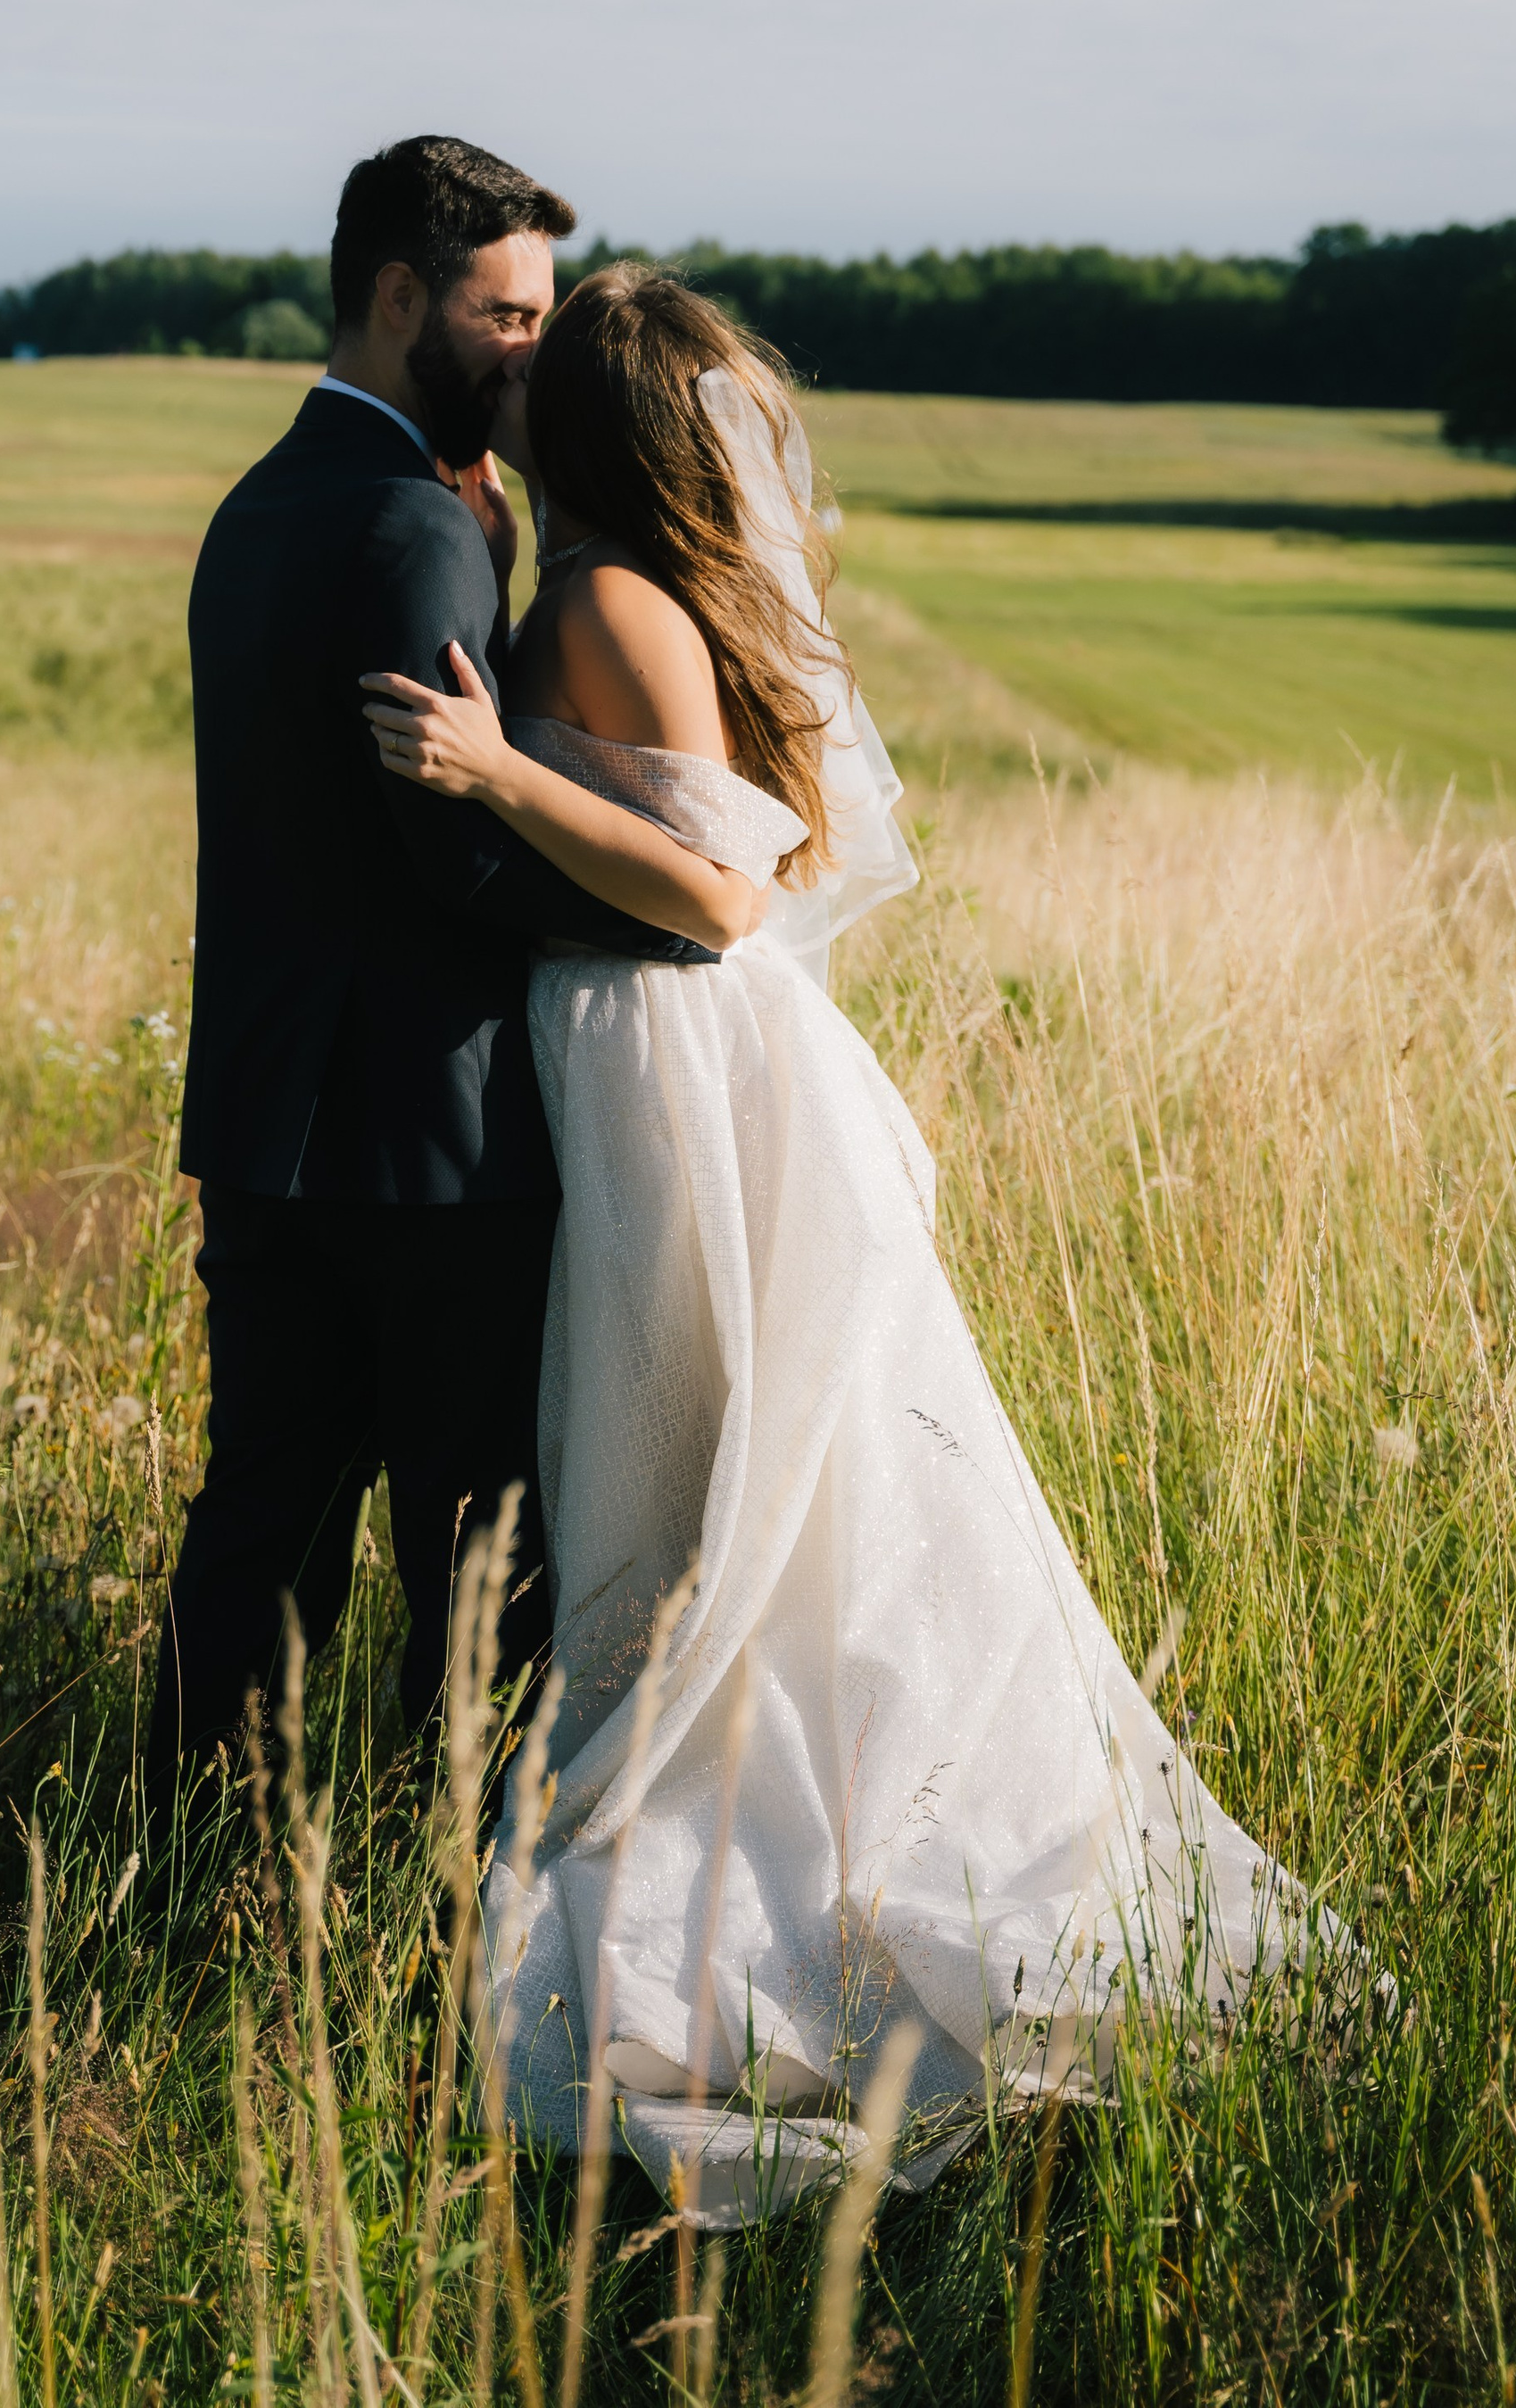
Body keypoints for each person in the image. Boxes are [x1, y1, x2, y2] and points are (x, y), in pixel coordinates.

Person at [362, 262, 1361, 2221]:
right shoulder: (666, 589)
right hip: (693, 1067)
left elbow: (727, 894)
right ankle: (791, 1834)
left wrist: (487, 772)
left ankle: (771, 1893)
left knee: (701, 1486)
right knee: (744, 1483)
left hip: (678, 1063)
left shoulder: (604, 603)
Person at [145, 143, 733, 1815]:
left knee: (258, 1531)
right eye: (509, 314)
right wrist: (678, 922)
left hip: (270, 1121)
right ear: (401, 296)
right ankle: (462, 1898)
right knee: (478, 1557)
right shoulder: (421, 528)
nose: (537, 354)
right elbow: (452, 857)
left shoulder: (262, 499)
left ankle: (192, 1885)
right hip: (435, 1143)